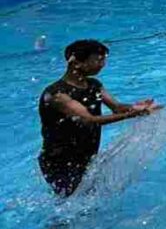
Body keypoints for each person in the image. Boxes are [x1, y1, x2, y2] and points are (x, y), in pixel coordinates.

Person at [38, 40, 159, 197]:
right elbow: (88, 119)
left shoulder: (94, 85)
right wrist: (133, 114)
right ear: (76, 62)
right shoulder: (57, 94)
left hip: (86, 154)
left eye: (104, 59)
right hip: (59, 160)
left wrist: (136, 107)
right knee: (69, 203)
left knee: (84, 202)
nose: (103, 64)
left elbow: (116, 107)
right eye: (98, 59)